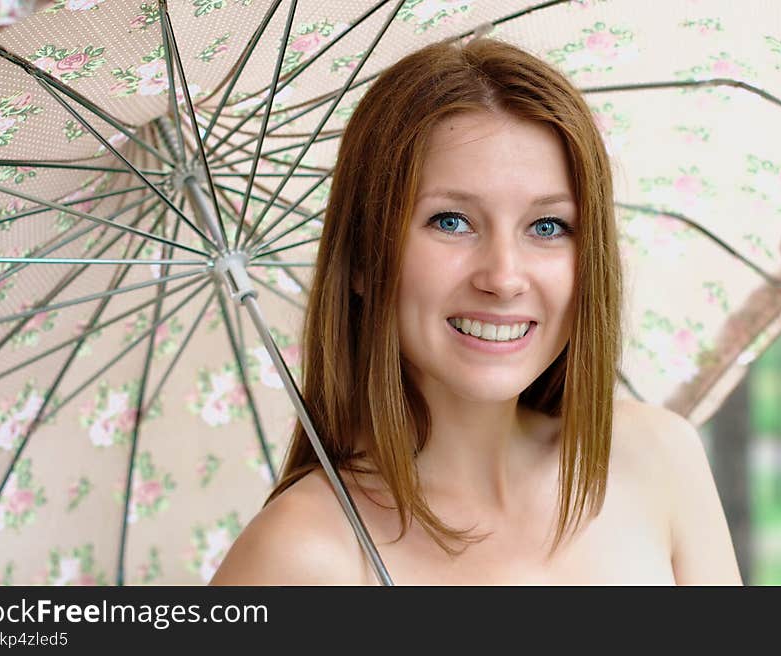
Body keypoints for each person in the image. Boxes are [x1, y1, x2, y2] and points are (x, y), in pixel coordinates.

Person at [210, 37, 742, 585]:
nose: (504, 278)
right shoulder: (300, 557)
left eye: (548, 226)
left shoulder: (659, 458)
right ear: (365, 257)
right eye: (451, 221)